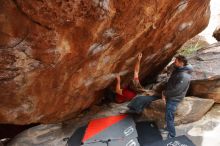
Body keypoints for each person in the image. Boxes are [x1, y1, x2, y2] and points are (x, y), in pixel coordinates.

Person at [127, 55, 193, 138]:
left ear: (181, 63)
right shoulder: (179, 71)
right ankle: (136, 109)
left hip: (174, 98)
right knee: (145, 99)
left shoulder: (184, 75)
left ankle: (172, 135)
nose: (174, 63)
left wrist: (164, 94)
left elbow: (177, 90)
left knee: (169, 117)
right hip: (169, 95)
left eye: (176, 61)